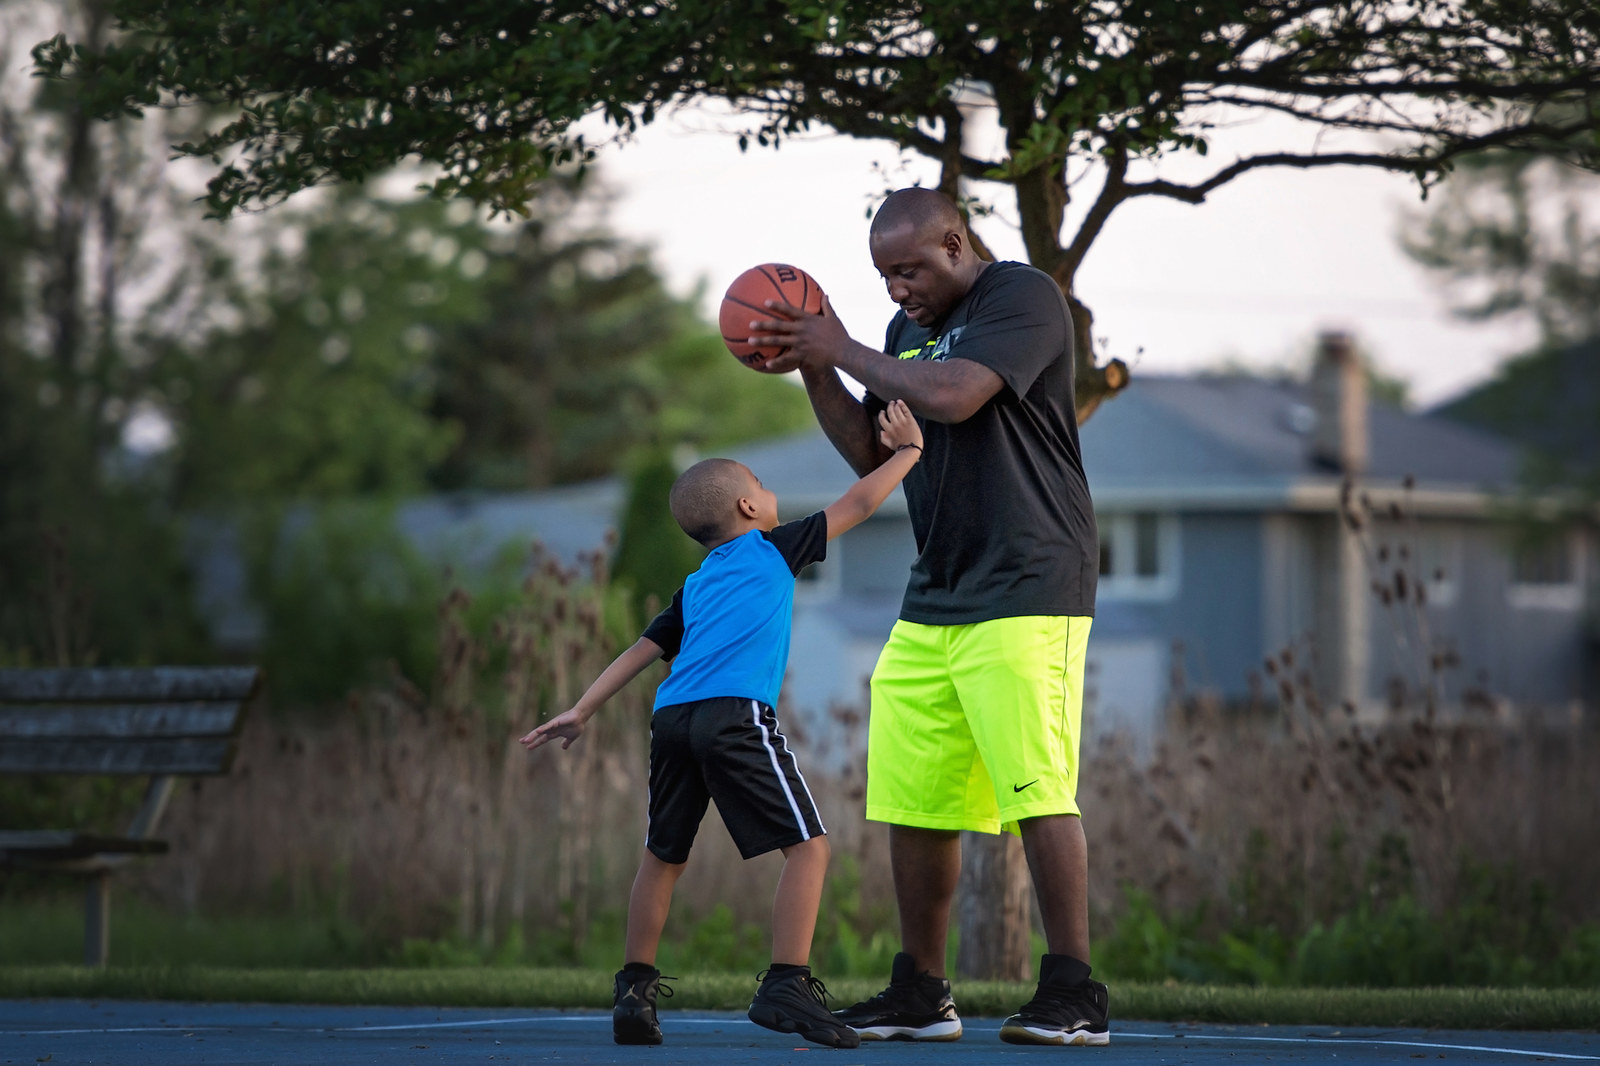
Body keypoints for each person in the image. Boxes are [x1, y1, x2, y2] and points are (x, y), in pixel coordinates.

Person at [745, 187, 1107, 1046]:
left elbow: (952, 397)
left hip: (1028, 584)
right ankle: (921, 991)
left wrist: (845, 343)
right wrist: (814, 361)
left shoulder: (1022, 298)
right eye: (883, 275)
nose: (896, 288)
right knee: (916, 797)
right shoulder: (906, 335)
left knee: (1035, 788)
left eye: (908, 269)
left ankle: (1074, 993)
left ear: (955, 242)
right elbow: (877, 451)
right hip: (937, 590)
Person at [519, 400, 924, 1049]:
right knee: (810, 849)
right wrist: (909, 452)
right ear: (746, 509)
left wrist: (582, 708)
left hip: (672, 717)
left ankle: (634, 994)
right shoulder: (774, 548)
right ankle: (788, 983)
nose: (769, 493)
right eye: (760, 486)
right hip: (735, 716)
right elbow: (857, 505)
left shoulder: (696, 583)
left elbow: (642, 651)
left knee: (661, 856)